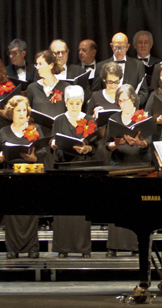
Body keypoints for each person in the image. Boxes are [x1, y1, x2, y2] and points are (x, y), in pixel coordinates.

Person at [0, 96, 44, 259]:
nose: (22, 114)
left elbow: (42, 151)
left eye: (24, 110)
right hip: (11, 177)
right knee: (13, 213)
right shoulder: (4, 131)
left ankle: (32, 248)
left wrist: (34, 158)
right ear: (11, 112)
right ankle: (12, 248)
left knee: (29, 213)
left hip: (30, 176)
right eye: (18, 110)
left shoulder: (34, 128)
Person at [104, 84, 149, 256]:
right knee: (117, 206)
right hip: (119, 165)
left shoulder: (142, 117)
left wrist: (140, 143)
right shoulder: (114, 119)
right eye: (120, 101)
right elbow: (107, 145)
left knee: (136, 208)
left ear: (134, 100)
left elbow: (149, 142)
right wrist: (115, 144)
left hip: (138, 165)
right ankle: (114, 246)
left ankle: (136, 245)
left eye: (126, 100)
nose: (123, 104)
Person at [49, 85, 94, 257]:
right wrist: (53, 144)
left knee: (82, 209)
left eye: (77, 103)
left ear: (82, 103)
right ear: (66, 103)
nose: (74, 107)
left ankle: (84, 249)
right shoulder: (59, 120)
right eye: (71, 103)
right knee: (64, 209)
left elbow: (95, 145)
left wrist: (86, 149)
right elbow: (54, 140)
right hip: (64, 168)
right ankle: (63, 248)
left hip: (83, 168)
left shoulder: (88, 119)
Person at [92, 32, 149, 106]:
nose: (119, 51)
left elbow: (143, 92)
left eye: (122, 47)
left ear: (128, 47)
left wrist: (131, 103)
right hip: (107, 108)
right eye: (116, 47)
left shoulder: (138, 65)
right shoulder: (101, 66)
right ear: (111, 46)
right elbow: (96, 92)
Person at [25, 50, 71, 137]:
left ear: (51, 65)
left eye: (40, 64)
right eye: (36, 64)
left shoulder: (65, 87)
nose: (37, 67)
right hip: (38, 135)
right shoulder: (32, 88)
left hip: (59, 133)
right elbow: (27, 112)